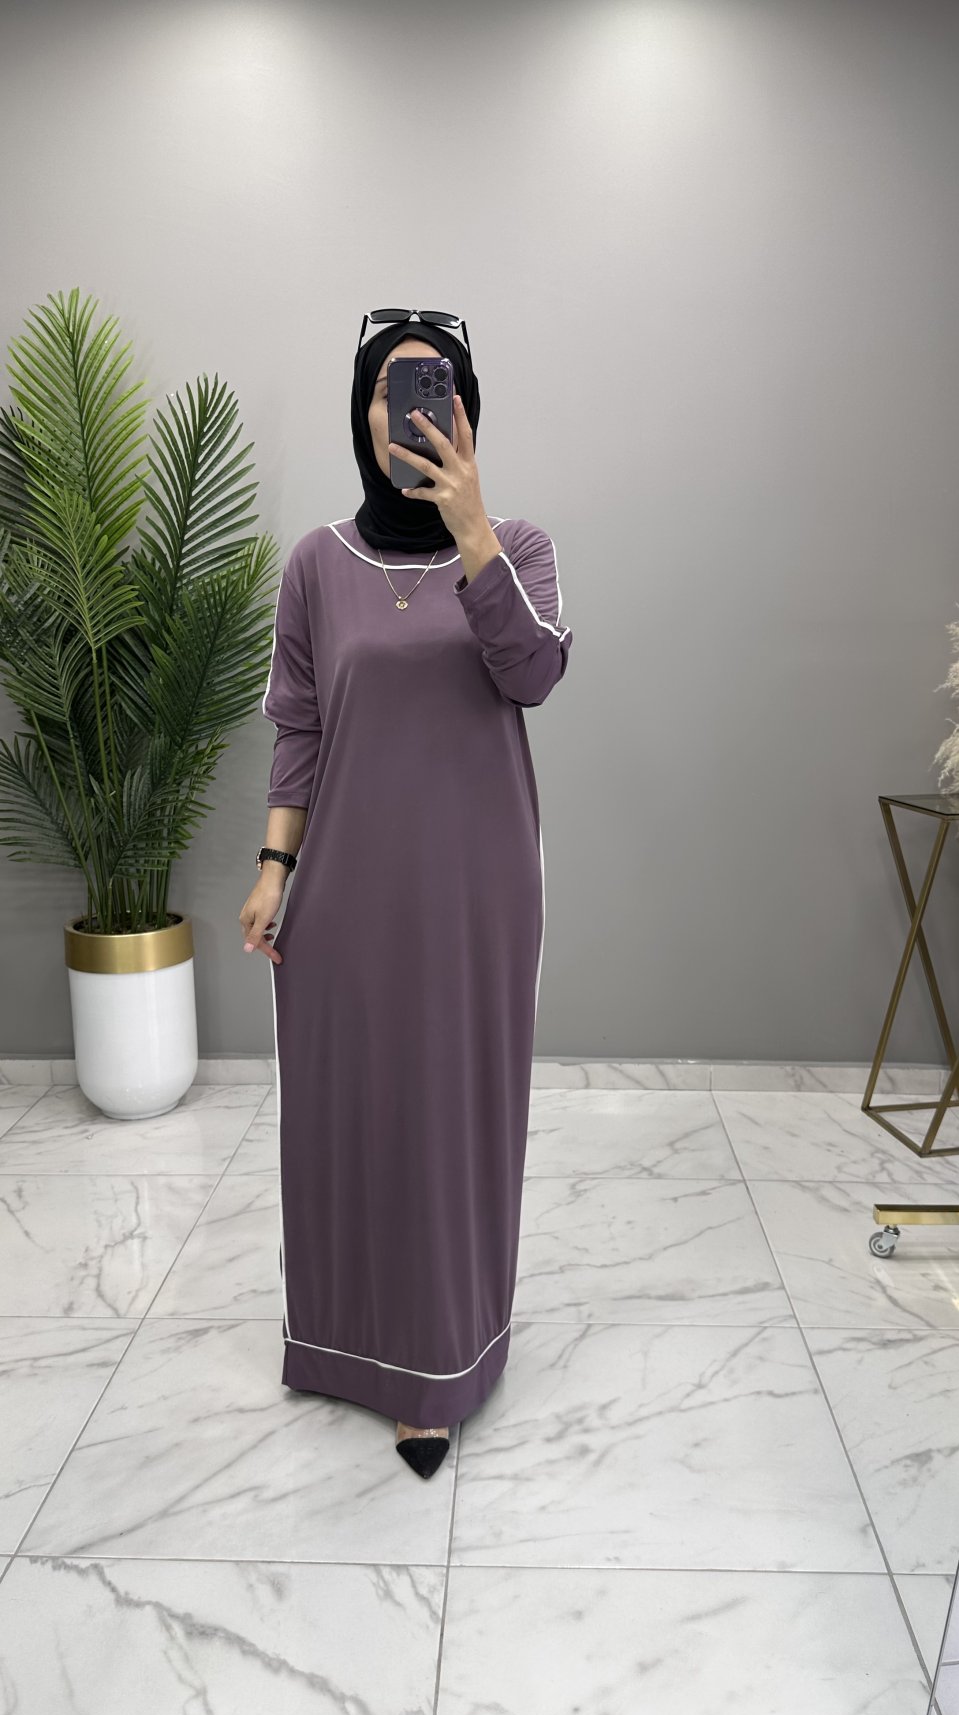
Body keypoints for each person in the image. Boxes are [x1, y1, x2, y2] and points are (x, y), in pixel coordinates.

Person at [238, 312, 573, 1479]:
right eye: (388, 388)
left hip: (475, 893)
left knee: (447, 1119)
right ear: (361, 412)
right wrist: (273, 868)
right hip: (343, 887)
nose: (408, 408)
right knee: (346, 1113)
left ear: (465, 409)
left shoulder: (517, 544)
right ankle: (343, 1345)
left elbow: (534, 670)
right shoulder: (316, 563)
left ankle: (436, 1371)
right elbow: (298, 726)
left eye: (432, 387)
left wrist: (469, 527)